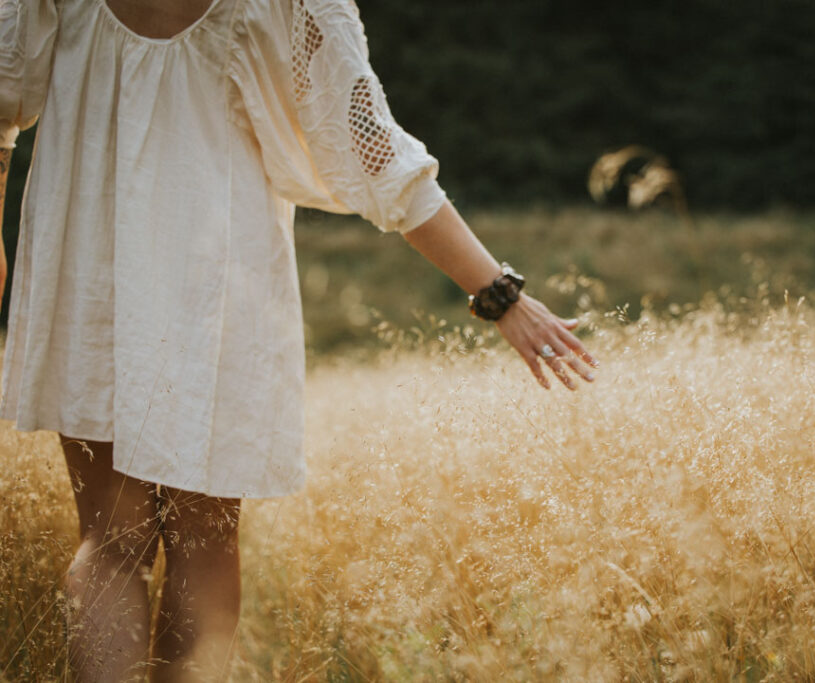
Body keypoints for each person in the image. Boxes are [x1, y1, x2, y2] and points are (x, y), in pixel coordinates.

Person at [0, 0, 598, 679]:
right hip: (218, 274)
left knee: (109, 540)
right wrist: (499, 294)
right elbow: (373, 152)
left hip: (91, 259)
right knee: (203, 539)